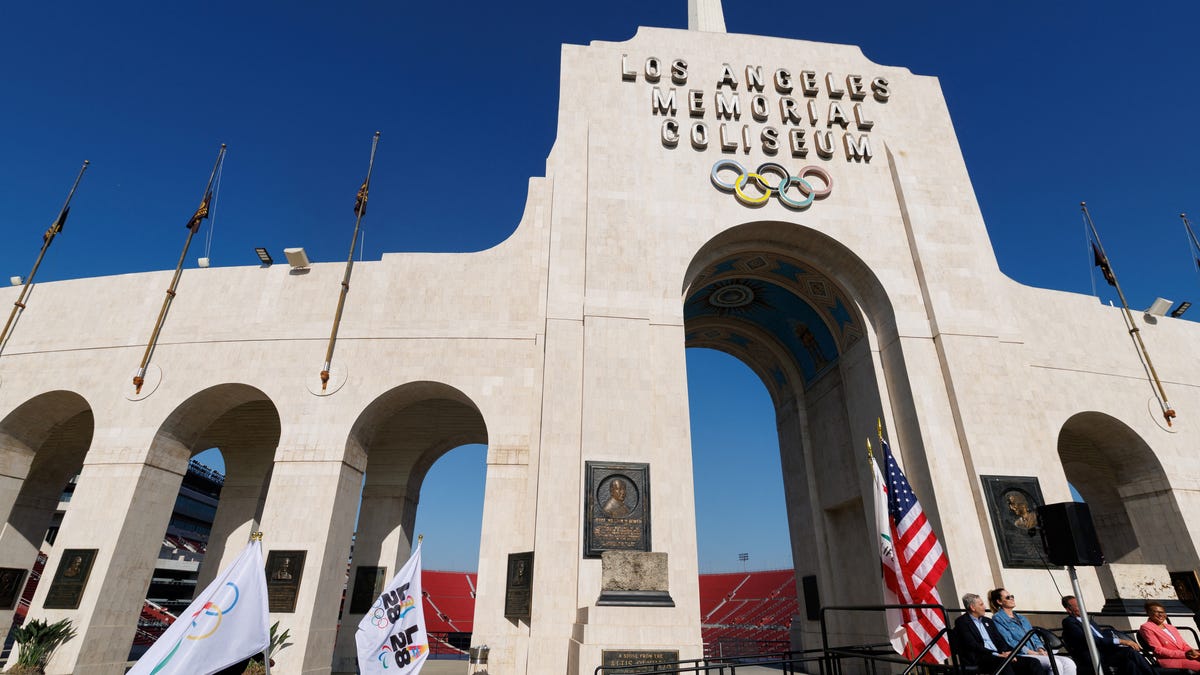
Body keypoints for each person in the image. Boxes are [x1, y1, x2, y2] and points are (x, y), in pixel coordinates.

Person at [989, 588, 1077, 675]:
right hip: (1022, 654)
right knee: (1055, 664)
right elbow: (1010, 641)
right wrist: (1033, 653)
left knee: (1069, 663)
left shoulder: (1021, 618)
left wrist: (1040, 649)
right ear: (999, 602)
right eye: (1008, 597)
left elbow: (1034, 636)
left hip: (1036, 652)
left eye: (1012, 596)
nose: (1012, 598)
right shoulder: (998, 618)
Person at [1061, 595, 1153, 675]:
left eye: (1082, 604)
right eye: (1078, 606)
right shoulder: (1069, 622)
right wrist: (1122, 641)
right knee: (1130, 652)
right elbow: (1092, 640)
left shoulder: (1089, 620)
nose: (1082, 608)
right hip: (1095, 655)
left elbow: (1101, 636)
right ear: (1069, 609)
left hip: (1107, 651)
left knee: (1130, 664)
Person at [954, 593, 1041, 675]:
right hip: (981, 658)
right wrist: (997, 654)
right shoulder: (962, 622)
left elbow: (999, 640)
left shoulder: (988, 621)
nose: (984, 607)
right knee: (1003, 663)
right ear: (972, 607)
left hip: (999, 656)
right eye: (981, 605)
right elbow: (972, 645)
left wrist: (1007, 653)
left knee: (1033, 662)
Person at [1138, 601, 1200, 670]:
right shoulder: (1146, 627)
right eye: (1157, 612)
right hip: (1170, 660)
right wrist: (1184, 654)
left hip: (1185, 655)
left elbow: (1183, 645)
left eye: (1162, 612)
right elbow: (1158, 650)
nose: (1161, 614)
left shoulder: (1171, 627)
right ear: (1149, 613)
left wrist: (1193, 652)